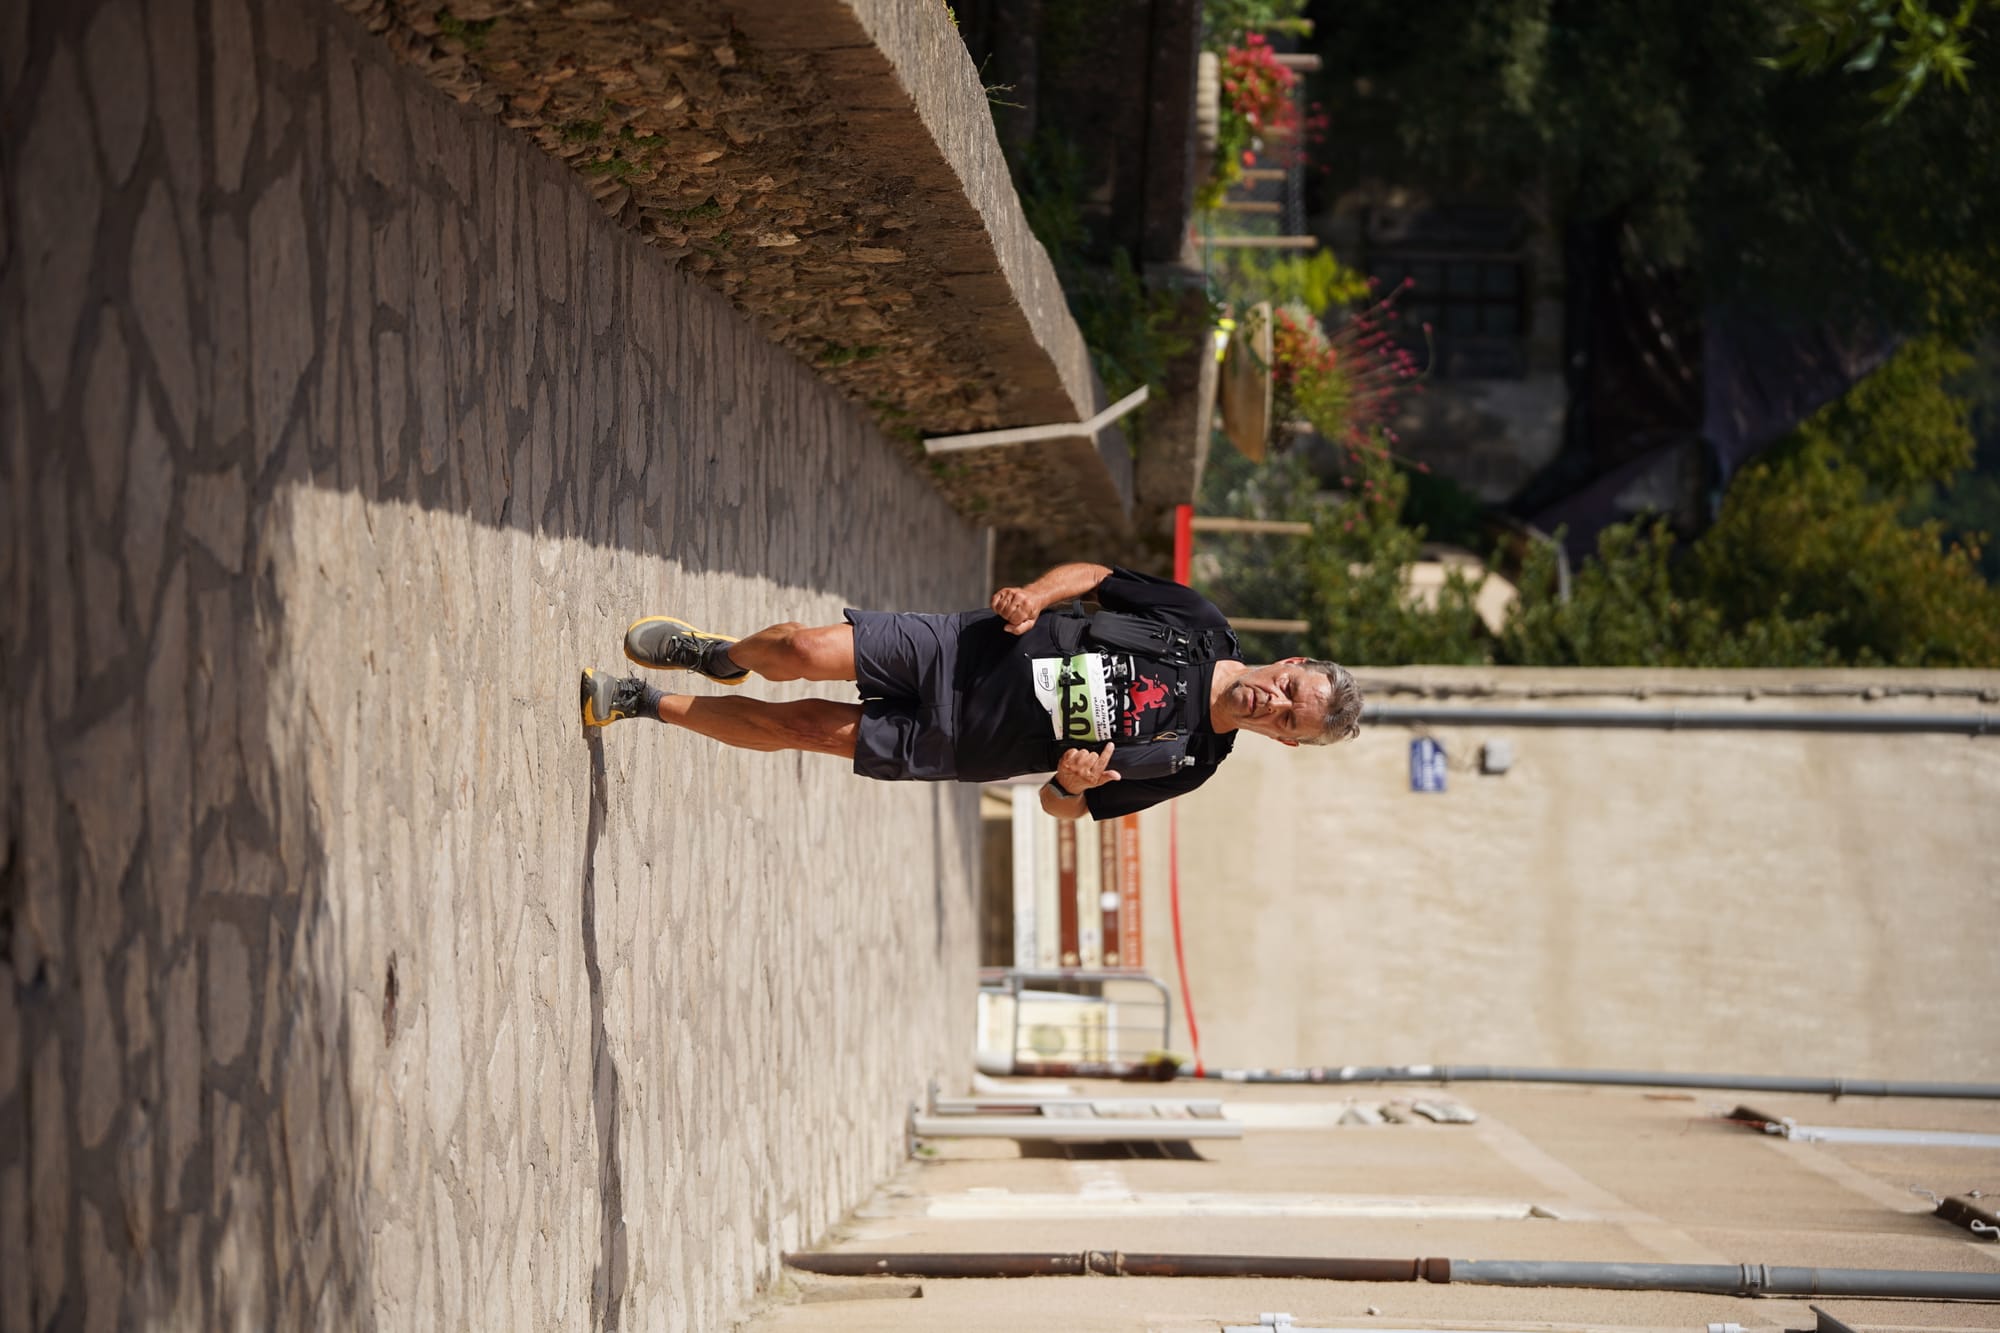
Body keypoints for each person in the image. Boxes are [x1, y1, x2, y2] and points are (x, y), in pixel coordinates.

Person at [581, 562, 1362, 819]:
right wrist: (1036, 595)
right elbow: (1096, 578)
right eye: (1293, 687)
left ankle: (640, 703)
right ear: (1288, 662)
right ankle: (716, 652)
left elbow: (1065, 808)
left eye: (1295, 717)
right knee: (800, 648)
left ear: (1289, 740)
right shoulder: (1198, 622)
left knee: (809, 729)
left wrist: (1069, 780)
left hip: (965, 741)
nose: (1279, 702)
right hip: (966, 650)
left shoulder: (1190, 764)